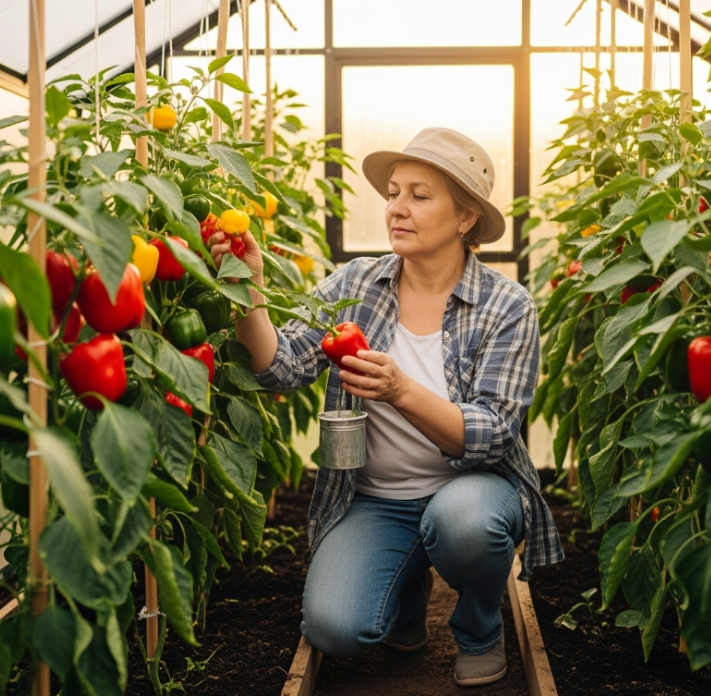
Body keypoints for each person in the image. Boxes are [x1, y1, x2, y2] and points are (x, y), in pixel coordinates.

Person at [209, 127, 563, 687]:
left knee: (463, 524)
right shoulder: (358, 283)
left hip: (470, 490)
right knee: (334, 628)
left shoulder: (506, 305)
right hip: (374, 500)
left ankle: (479, 626)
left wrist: (400, 390)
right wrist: (247, 289)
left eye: (419, 196)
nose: (397, 208)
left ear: (466, 218)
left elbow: (494, 434)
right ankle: (406, 591)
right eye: (394, 193)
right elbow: (280, 367)